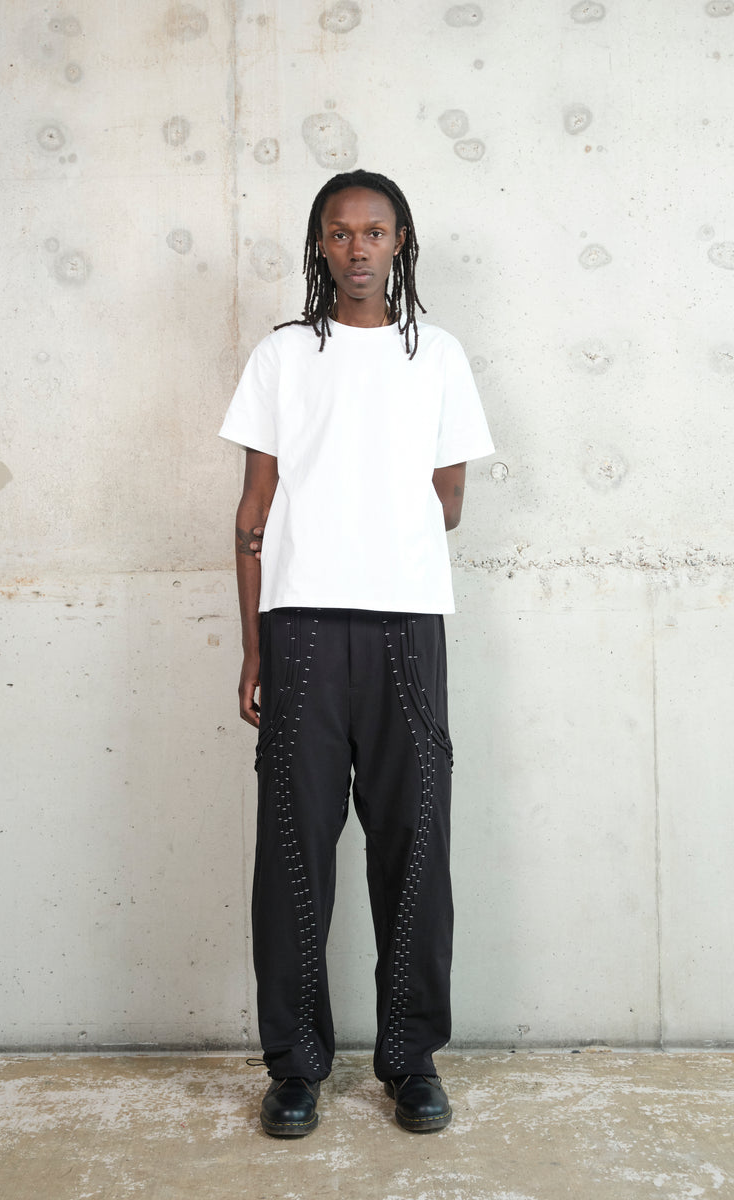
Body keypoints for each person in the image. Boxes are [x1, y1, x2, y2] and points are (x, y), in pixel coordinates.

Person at [219, 169, 494, 1137]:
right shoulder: (285, 356)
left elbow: (446, 495)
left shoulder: (439, 358)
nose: (358, 247)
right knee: (293, 851)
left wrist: (378, 525)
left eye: (375, 231)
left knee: (413, 844)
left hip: (405, 626)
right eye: (339, 233)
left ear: (401, 242)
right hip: (297, 629)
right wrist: (253, 642)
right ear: (319, 248)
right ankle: (294, 1067)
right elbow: (252, 511)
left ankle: (408, 1059)